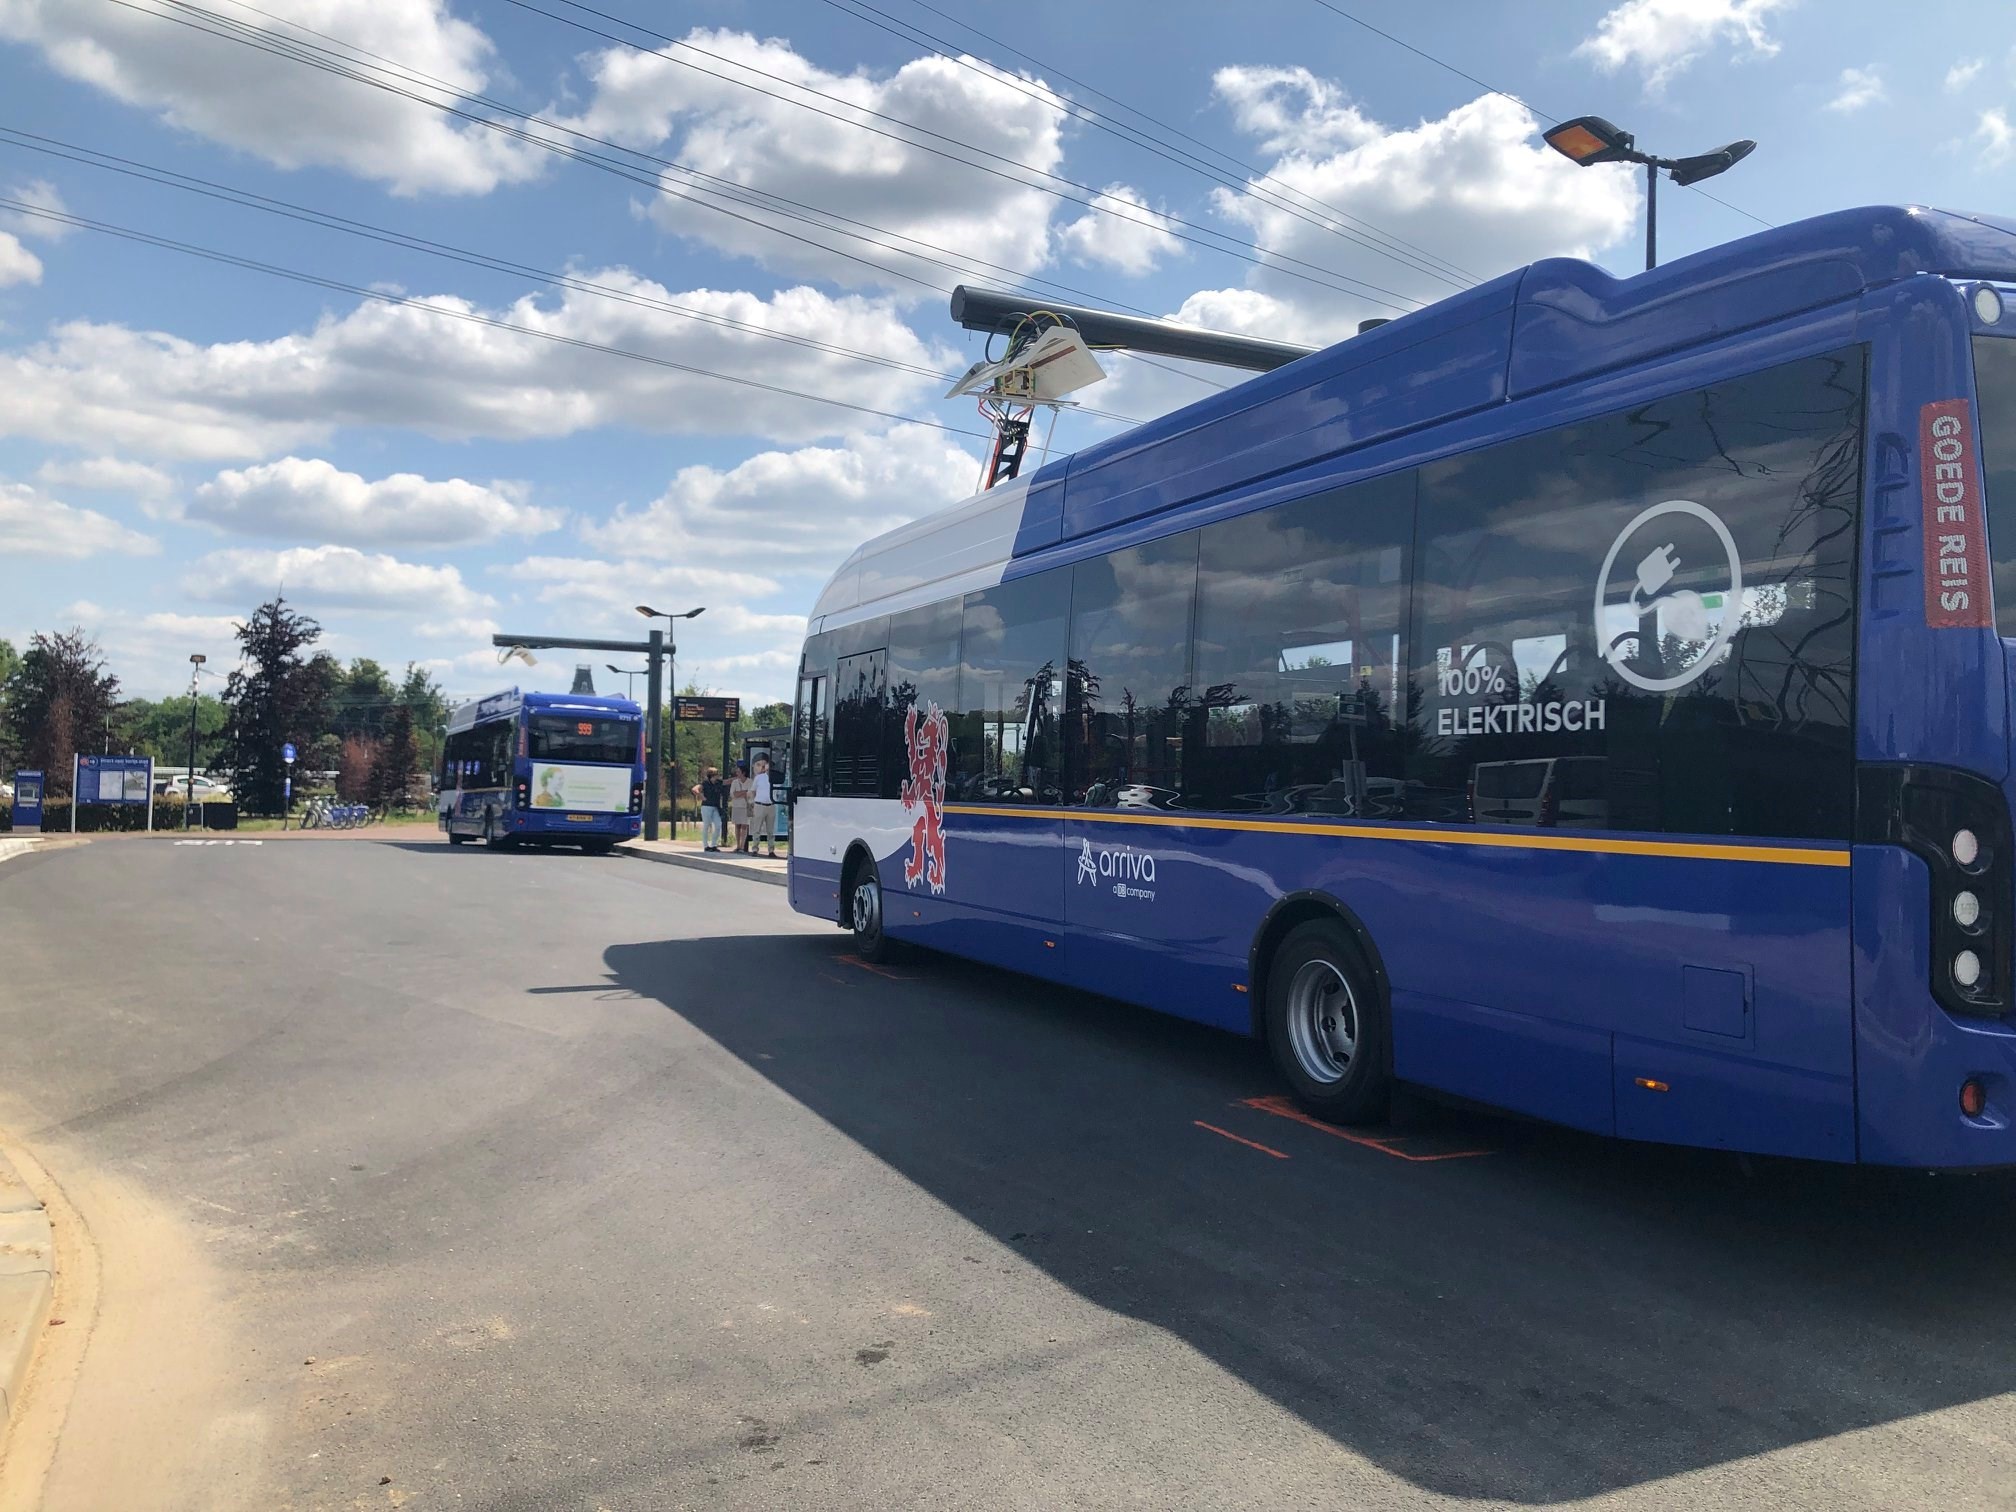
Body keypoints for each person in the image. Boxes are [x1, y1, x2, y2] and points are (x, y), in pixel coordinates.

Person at [693, 766, 726, 852]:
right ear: (712, 775)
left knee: (718, 825)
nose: (717, 776)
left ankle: (714, 844)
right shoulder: (705, 783)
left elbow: (727, 781)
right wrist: (701, 796)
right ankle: (706, 845)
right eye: (716, 774)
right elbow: (695, 789)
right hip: (706, 806)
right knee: (706, 825)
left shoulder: (719, 782)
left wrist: (736, 778)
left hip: (716, 806)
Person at [751, 755, 778, 858]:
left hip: (771, 805)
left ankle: (771, 850)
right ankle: (755, 849)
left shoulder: (776, 778)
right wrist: (754, 802)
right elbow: (753, 791)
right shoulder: (759, 777)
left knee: (770, 830)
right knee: (757, 828)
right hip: (760, 805)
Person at [728, 761, 755, 854]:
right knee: (737, 825)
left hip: (747, 806)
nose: (737, 773)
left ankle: (742, 846)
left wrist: (741, 793)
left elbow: (751, 794)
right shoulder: (735, 782)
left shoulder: (750, 781)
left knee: (744, 825)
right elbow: (733, 794)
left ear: (743, 772)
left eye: (738, 771)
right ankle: (738, 845)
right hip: (736, 806)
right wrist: (744, 792)